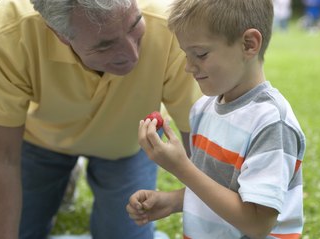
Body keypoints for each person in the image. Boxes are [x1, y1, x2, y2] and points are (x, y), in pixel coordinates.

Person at [0, 0, 201, 238]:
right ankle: (64, 176)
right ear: (58, 33)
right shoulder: (6, 32)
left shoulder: (172, 23)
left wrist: (204, 204)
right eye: (105, 46)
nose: (132, 54)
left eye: (134, 25)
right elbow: (2, 157)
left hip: (127, 144)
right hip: (42, 140)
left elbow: (198, 138)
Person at [127, 0, 306, 238]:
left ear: (249, 44)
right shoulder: (202, 109)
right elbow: (220, 189)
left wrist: (182, 168)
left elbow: (258, 224)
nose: (188, 67)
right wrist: (172, 201)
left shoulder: (272, 123)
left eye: (200, 54)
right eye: (185, 54)